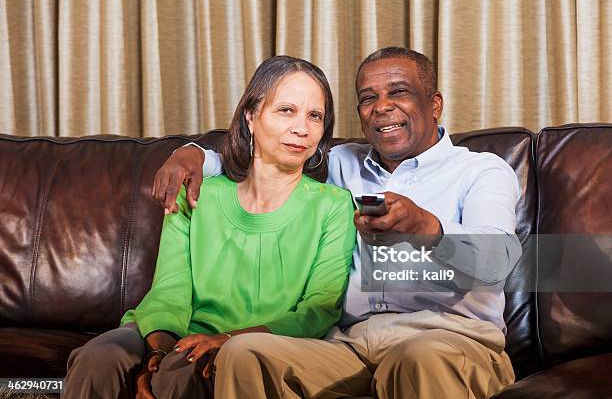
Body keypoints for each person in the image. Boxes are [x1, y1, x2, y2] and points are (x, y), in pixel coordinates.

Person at [154, 47, 522, 399]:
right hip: (350, 344)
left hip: (448, 338)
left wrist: (426, 226)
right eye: (367, 97)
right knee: (244, 351)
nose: (382, 107)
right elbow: (265, 159)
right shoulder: (343, 162)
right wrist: (193, 155)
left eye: (399, 92)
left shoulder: (481, 171)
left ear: (435, 104)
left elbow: (496, 261)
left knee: (418, 359)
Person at [62, 55, 356, 399]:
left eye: (315, 116)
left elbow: (318, 310)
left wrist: (227, 340)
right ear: (251, 116)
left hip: (259, 342)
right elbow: (169, 290)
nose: (302, 129)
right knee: (97, 359)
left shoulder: (333, 205)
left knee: (182, 370)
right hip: (165, 328)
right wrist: (157, 352)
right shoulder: (198, 194)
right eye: (286, 110)